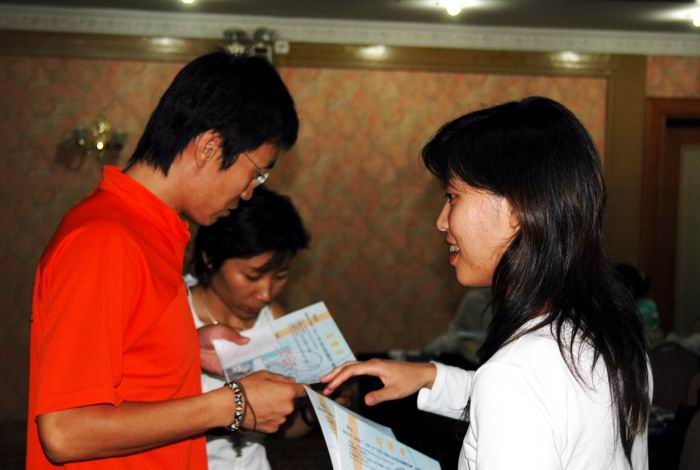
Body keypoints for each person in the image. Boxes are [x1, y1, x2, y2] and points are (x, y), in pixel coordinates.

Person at [322, 97, 651, 469]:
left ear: (516, 210)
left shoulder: (515, 375)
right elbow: (540, 405)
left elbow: (516, 391)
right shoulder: (611, 333)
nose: (441, 221)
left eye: (452, 197)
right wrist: (431, 377)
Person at [27, 51, 306, 469]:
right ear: (209, 148)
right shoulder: (106, 238)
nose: (249, 191)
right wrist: (232, 404)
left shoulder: (151, 233)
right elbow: (65, 431)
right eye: (255, 172)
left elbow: (123, 366)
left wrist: (185, 349)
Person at [186, 186, 313, 469]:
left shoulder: (275, 320)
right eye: (252, 276)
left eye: (280, 276)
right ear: (209, 258)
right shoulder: (173, 311)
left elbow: (281, 429)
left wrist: (316, 407)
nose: (266, 293)